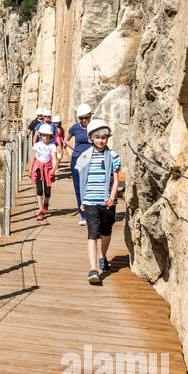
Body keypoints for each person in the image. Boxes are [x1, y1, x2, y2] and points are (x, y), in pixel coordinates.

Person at [74, 119, 121, 285]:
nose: (101, 140)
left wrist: (112, 196)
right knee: (92, 233)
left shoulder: (113, 156)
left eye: (104, 137)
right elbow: (82, 181)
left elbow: (116, 180)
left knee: (106, 232)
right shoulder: (85, 156)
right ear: (91, 138)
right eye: (97, 137)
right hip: (90, 201)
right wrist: (82, 202)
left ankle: (103, 255)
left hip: (107, 201)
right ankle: (93, 269)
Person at [64, 104, 94, 224]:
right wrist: (75, 148)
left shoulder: (94, 127)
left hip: (91, 159)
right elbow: (65, 140)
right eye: (81, 118)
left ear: (90, 116)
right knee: (78, 187)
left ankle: (92, 213)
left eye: (86, 117)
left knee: (90, 186)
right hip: (77, 159)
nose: (84, 120)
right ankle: (83, 215)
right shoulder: (75, 128)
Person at [28, 123, 57, 219]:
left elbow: (54, 158)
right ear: (41, 135)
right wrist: (30, 170)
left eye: (47, 135)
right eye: (43, 135)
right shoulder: (37, 145)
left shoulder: (52, 146)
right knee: (39, 189)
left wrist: (53, 169)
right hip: (38, 168)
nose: (45, 137)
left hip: (48, 169)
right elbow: (33, 158)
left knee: (47, 191)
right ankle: (40, 210)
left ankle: (46, 204)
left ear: (50, 136)